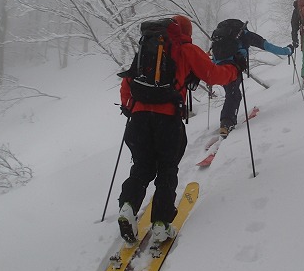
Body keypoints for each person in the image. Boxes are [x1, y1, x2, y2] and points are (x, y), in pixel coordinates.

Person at [116, 15, 245, 244]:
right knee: (167, 169)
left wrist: (130, 108)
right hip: (167, 120)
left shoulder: (148, 48)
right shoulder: (186, 49)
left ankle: (128, 206)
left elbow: (128, 82)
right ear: (186, 32)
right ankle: (161, 224)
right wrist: (235, 69)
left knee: (142, 167)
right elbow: (213, 75)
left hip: (138, 120)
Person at [211, 19, 294, 137]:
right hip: (233, 67)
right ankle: (226, 123)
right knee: (234, 95)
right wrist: (287, 50)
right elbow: (267, 46)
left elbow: (214, 56)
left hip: (218, 69)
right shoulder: (244, 34)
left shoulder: (220, 38)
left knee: (233, 93)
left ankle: (228, 121)